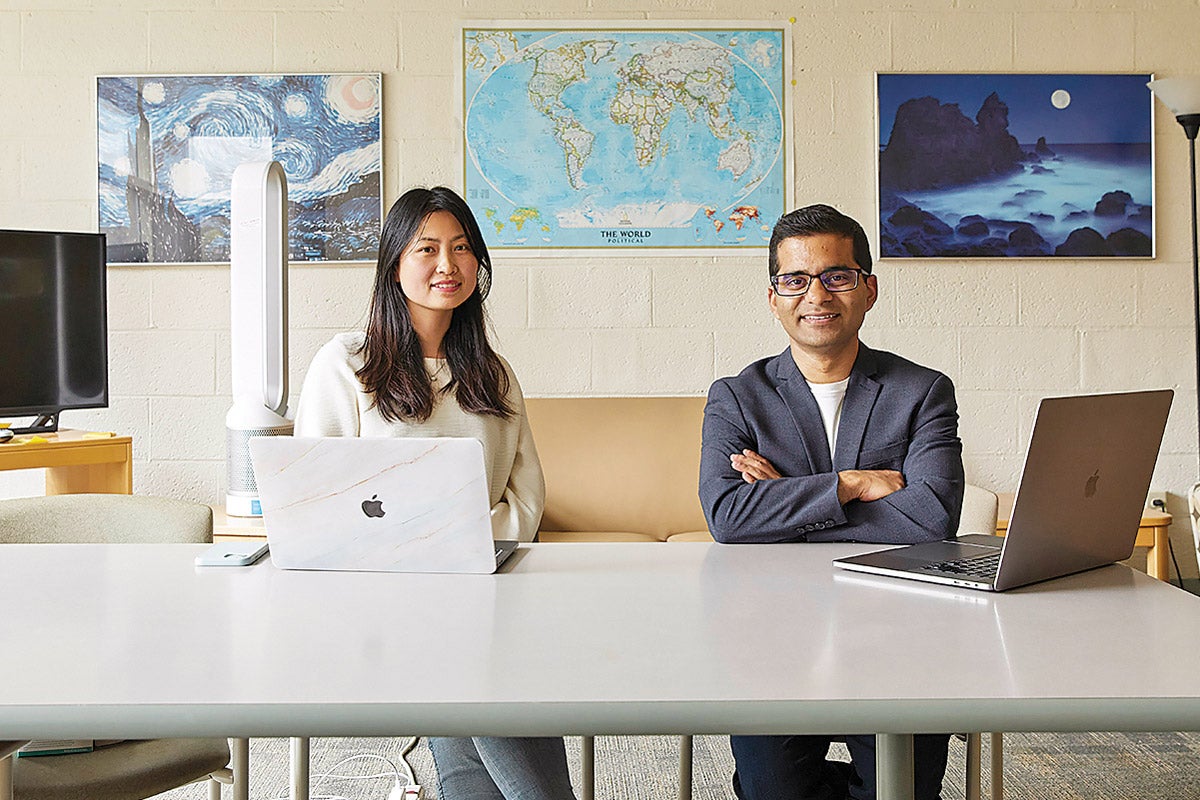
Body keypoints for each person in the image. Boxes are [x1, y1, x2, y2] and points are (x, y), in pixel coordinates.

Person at [294, 186, 576, 800]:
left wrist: (466, 552)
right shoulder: (346, 364)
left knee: (474, 716)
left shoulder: (492, 373)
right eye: (427, 249)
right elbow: (313, 498)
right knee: (476, 676)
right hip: (383, 594)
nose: (447, 266)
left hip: (480, 584)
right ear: (394, 262)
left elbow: (525, 498)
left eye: (462, 249)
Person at [698, 203, 965, 800]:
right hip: (773, 633)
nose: (815, 294)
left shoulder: (921, 391)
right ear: (773, 297)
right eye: (795, 279)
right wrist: (852, 484)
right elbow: (726, 517)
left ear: (868, 289)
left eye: (836, 276)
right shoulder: (738, 397)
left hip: (897, 630)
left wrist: (780, 507)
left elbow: (932, 517)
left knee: (903, 792)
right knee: (773, 792)